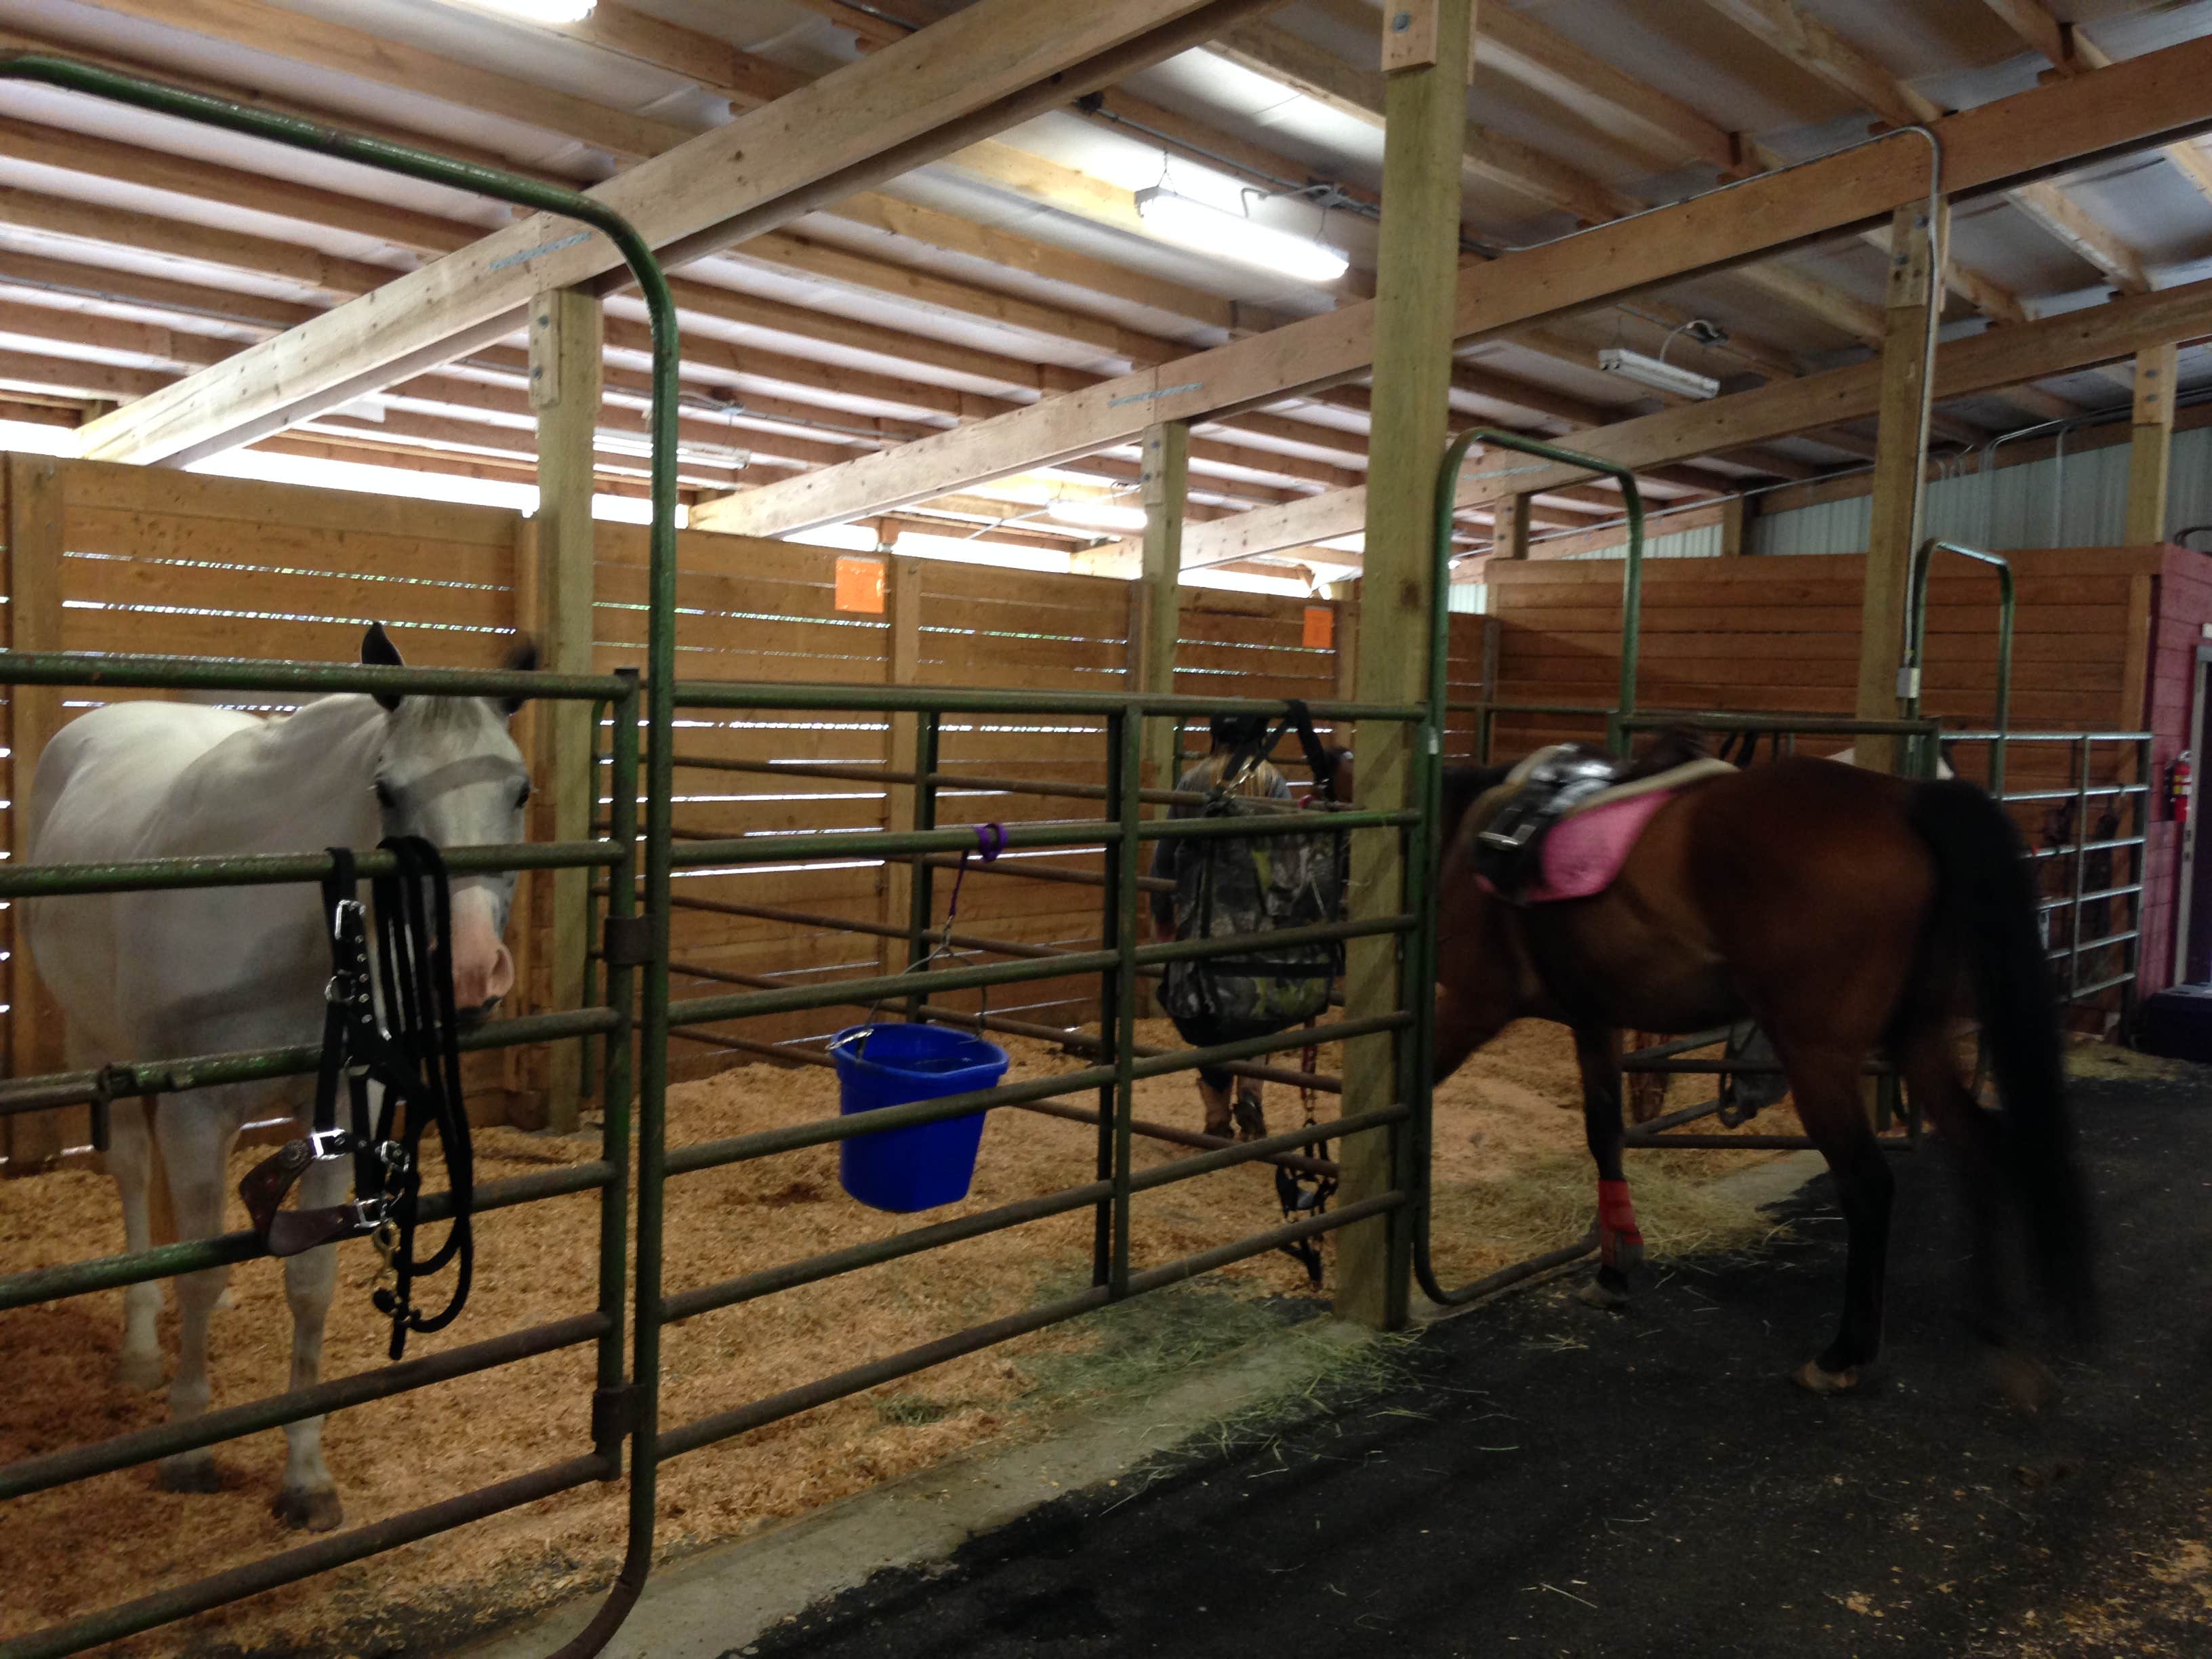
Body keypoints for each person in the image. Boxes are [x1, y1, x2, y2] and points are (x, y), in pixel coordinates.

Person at [1148, 713, 1294, 1142]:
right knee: (1258, 1006)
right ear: (1261, 739)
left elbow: (1166, 855)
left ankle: (1216, 1119)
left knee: (1207, 1012)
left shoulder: (1192, 781)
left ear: (1214, 737)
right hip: (1257, 920)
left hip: (1203, 920)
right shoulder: (1272, 783)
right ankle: (1250, 1092)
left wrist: (1161, 912)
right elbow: (1287, 855)